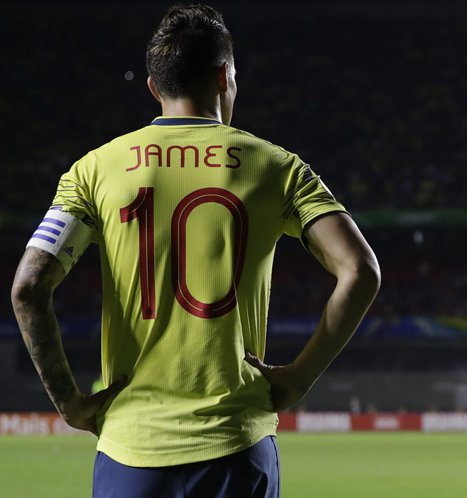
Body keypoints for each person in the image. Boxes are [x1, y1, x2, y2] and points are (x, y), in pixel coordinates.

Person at [9, 5, 380, 497]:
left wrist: (70, 403)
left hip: (130, 452)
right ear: (225, 75)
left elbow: (29, 287)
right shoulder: (277, 167)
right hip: (237, 446)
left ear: (153, 86)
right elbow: (360, 271)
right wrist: (297, 378)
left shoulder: (94, 170)